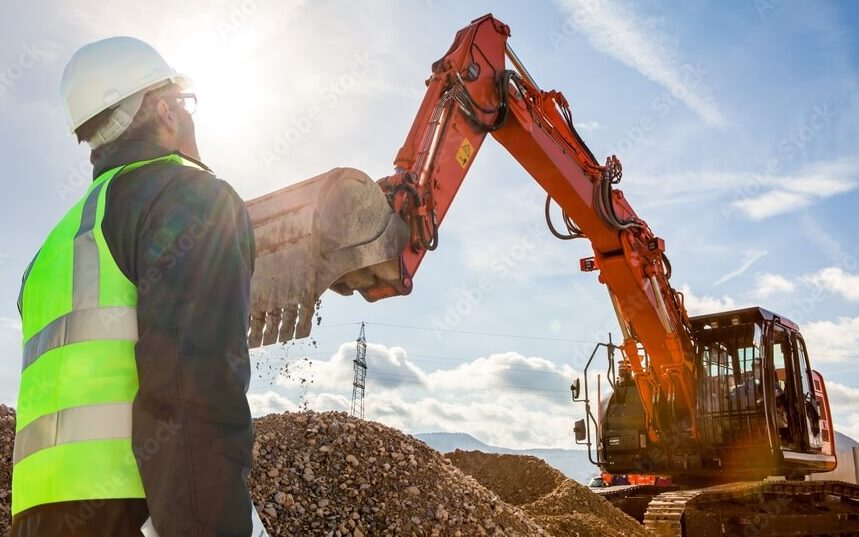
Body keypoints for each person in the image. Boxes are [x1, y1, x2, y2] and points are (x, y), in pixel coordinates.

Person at [11, 37, 256, 536]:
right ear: (166, 110)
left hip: (36, 516)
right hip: (135, 507)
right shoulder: (186, 197)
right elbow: (191, 389)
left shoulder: (52, 249)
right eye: (184, 104)